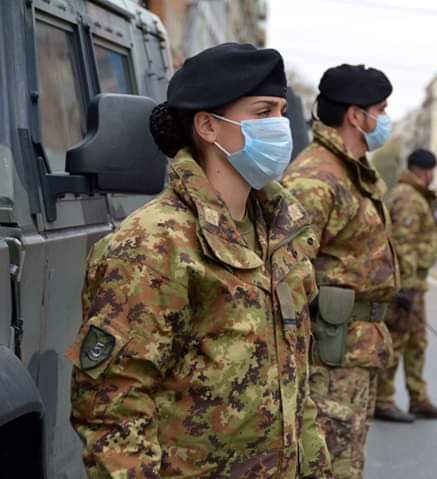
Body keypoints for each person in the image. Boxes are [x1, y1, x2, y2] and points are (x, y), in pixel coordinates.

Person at [65, 43, 331, 478]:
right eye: (263, 112)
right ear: (208, 126)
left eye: (282, 112)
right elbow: (113, 408)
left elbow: (296, 386)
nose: (280, 127)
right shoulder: (154, 244)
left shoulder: (281, 236)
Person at [281, 64, 399, 479]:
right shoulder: (317, 178)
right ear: (356, 115)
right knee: (326, 468)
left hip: (354, 349)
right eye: (381, 110)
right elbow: (285, 271)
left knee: (346, 462)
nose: (385, 119)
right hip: (329, 353)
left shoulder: (351, 171)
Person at [375, 149, 437, 422]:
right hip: (407, 284)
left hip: (415, 283)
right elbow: (402, 243)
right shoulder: (408, 198)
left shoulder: (414, 196)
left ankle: (418, 397)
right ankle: (383, 399)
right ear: (426, 172)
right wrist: (405, 286)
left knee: (417, 341)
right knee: (397, 341)